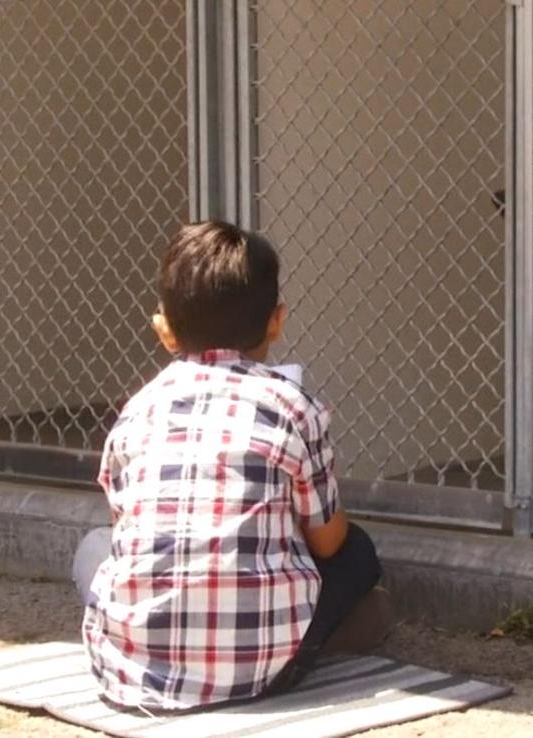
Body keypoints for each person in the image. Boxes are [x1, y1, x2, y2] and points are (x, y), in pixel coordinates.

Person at [75, 221, 391, 710]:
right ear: (277, 320)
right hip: (262, 672)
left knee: (92, 548)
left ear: (164, 330)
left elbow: (126, 530)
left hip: (133, 676)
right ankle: (332, 631)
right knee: (358, 550)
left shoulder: (137, 410)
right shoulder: (293, 405)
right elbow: (328, 541)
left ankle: (154, 640)